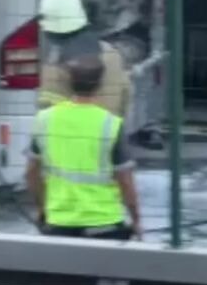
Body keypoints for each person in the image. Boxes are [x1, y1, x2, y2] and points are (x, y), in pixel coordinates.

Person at [27, 53, 142, 250]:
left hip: (59, 222)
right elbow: (126, 181)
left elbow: (31, 174)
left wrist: (41, 209)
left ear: (69, 83)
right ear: (100, 85)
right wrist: (136, 220)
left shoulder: (44, 120)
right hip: (105, 223)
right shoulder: (111, 124)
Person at [36, 0, 133, 125]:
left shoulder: (54, 68)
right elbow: (126, 98)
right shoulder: (113, 55)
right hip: (109, 140)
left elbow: (45, 116)